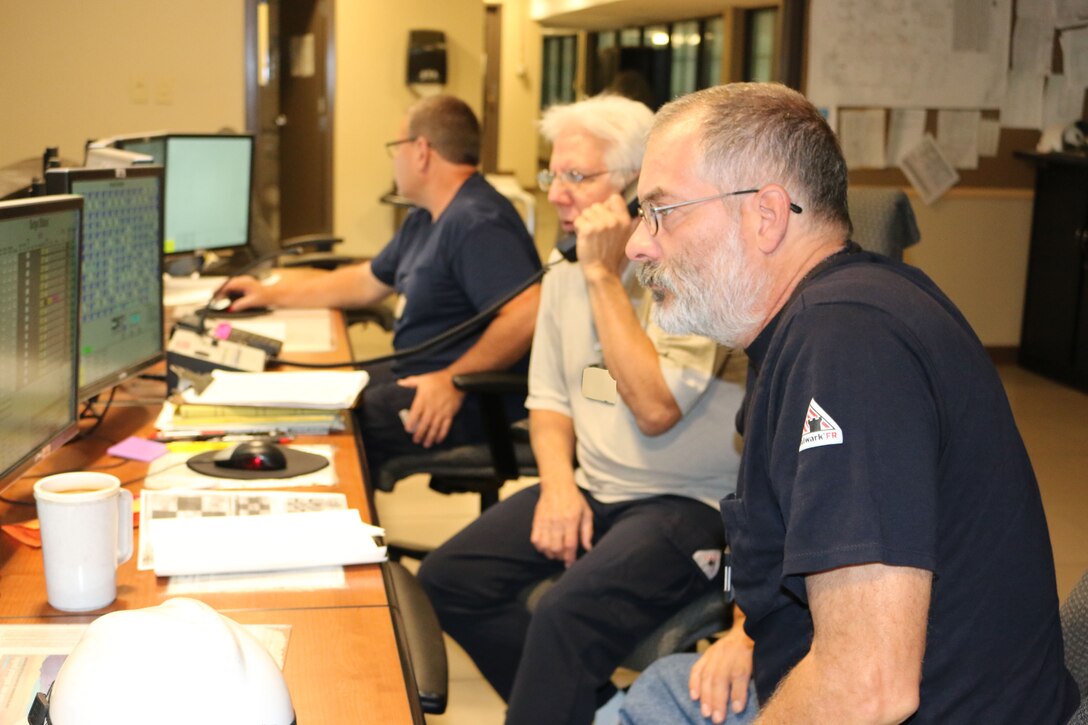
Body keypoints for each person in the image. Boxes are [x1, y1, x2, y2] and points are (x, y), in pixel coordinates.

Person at [619, 82, 1078, 723]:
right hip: (827, 675)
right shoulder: (823, 318)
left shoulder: (846, 346)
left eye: (662, 211)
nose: (638, 243)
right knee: (658, 691)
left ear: (767, 215)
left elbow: (868, 688)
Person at [417, 93, 748, 725]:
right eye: (553, 174)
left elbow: (654, 408)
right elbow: (548, 401)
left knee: (564, 616)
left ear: (635, 189)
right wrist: (558, 488)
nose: (557, 194)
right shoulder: (564, 267)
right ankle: (595, 710)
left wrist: (603, 277)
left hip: (688, 505)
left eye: (578, 176)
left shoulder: (688, 273)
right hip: (595, 488)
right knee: (447, 578)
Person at [220, 95, 542, 479]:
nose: (394, 160)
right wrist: (269, 293)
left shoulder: (478, 222)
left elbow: (528, 311)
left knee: (334, 432)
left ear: (421, 151)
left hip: (473, 396)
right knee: (316, 398)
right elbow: (363, 282)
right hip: (421, 373)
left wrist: (451, 381)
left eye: (397, 148)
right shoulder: (426, 217)